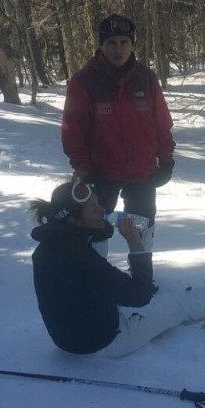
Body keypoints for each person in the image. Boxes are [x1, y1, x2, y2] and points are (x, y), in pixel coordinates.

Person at [29, 180, 205, 358]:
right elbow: (140, 295)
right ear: (74, 222)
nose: (102, 209)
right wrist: (135, 244)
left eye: (98, 202)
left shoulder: (49, 247)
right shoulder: (82, 260)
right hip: (104, 342)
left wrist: (101, 222)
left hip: (68, 340)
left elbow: (88, 276)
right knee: (177, 303)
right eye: (93, 209)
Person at [61, 14, 175, 253]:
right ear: (101, 46)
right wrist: (81, 167)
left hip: (142, 173)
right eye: (111, 43)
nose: (118, 49)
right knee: (95, 229)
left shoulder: (147, 79)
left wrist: (166, 160)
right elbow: (73, 130)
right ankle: (95, 279)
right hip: (100, 173)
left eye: (124, 42)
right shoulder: (83, 82)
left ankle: (142, 279)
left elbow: (162, 124)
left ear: (132, 44)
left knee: (142, 227)